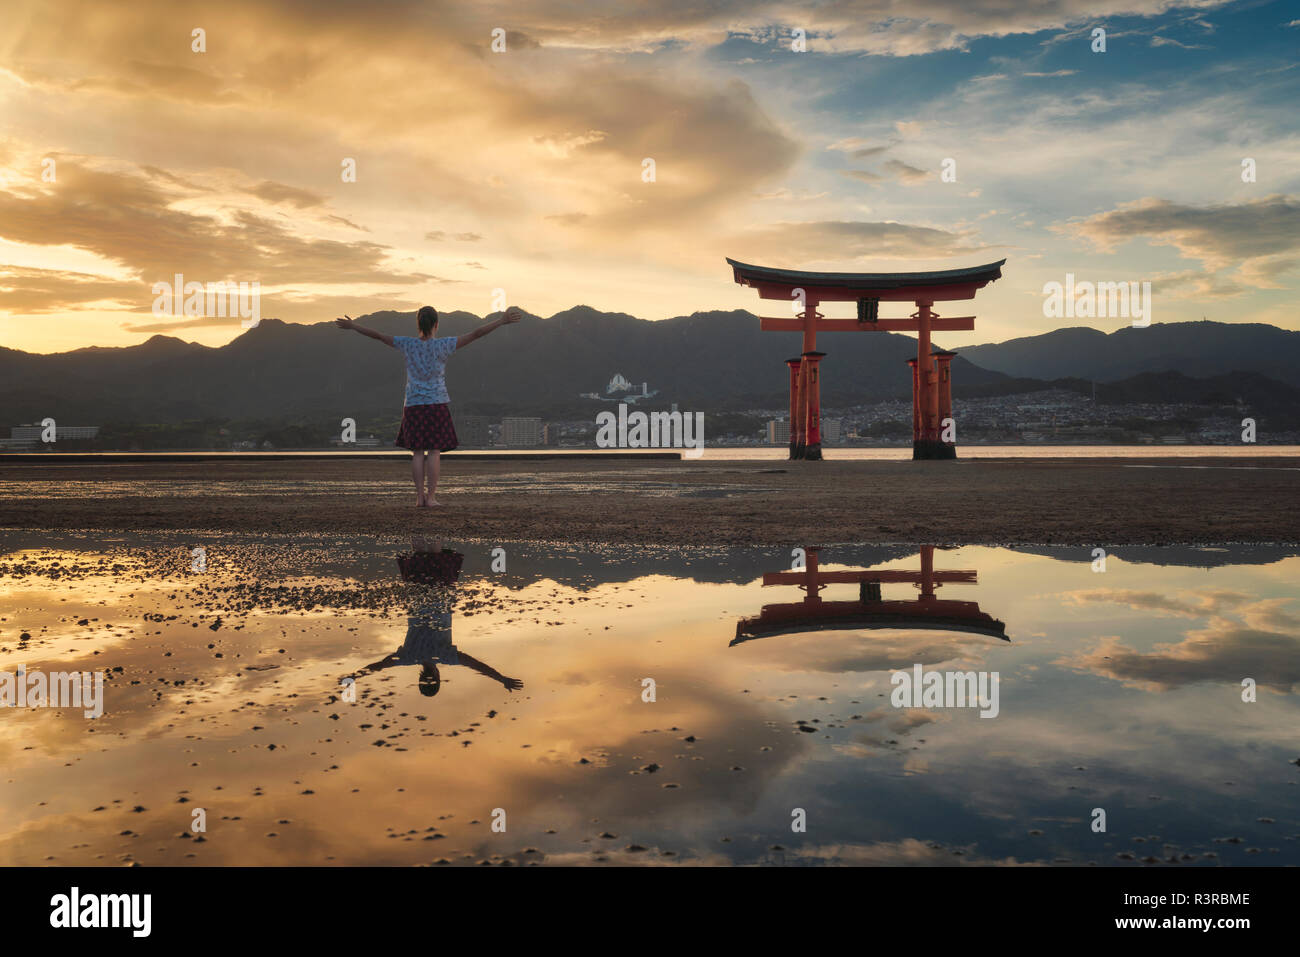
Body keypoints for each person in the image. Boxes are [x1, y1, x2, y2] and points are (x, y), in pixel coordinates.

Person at [335, 305, 522, 506]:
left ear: (419, 324)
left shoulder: (408, 344)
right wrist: (501, 321)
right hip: (436, 403)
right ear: (436, 324)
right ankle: (431, 497)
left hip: (413, 404)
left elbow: (379, 336)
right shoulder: (443, 345)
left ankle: (419, 497)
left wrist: (353, 326)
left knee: (417, 452)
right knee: (434, 451)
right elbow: (476, 334)